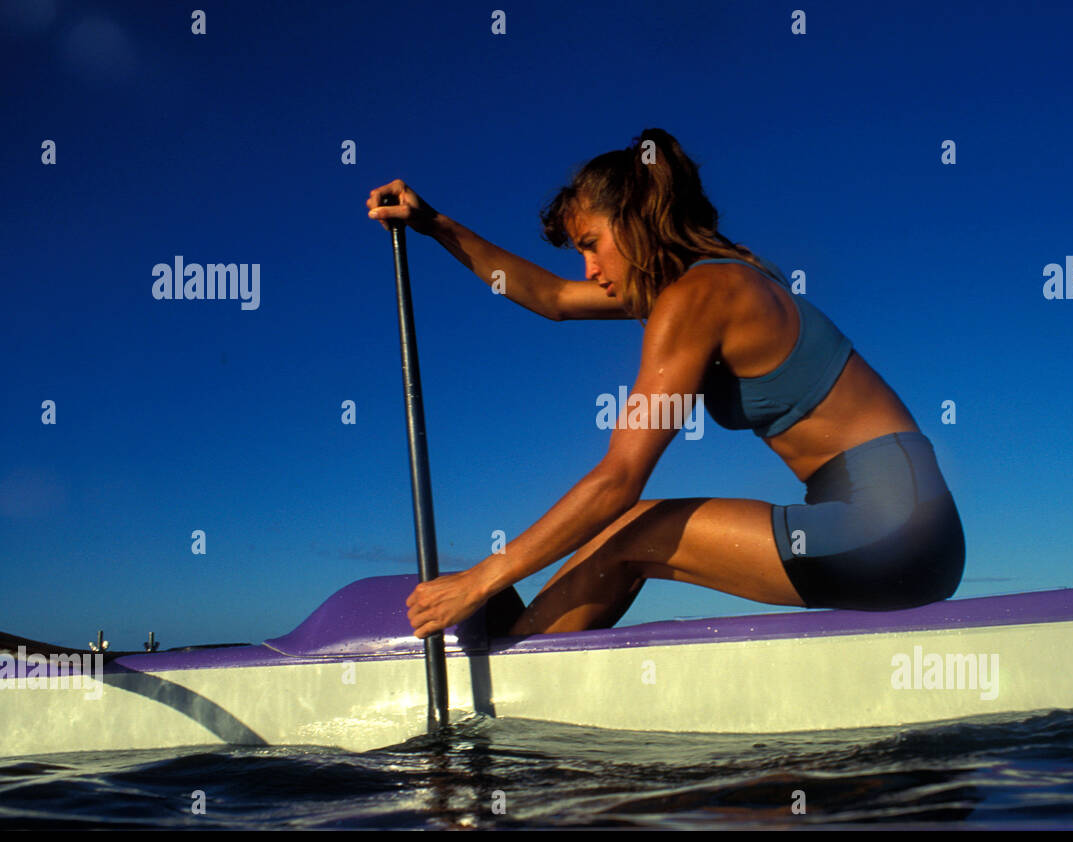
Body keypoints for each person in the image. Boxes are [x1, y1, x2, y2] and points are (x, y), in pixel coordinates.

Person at [366, 128, 964, 638]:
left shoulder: (699, 297)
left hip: (893, 526)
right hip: (907, 522)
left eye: (591, 245)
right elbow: (550, 298)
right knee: (635, 530)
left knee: (635, 528)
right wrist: (433, 223)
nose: (589, 270)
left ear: (636, 221)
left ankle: (515, 692)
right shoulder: (730, 275)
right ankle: (529, 662)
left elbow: (618, 480)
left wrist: (480, 581)